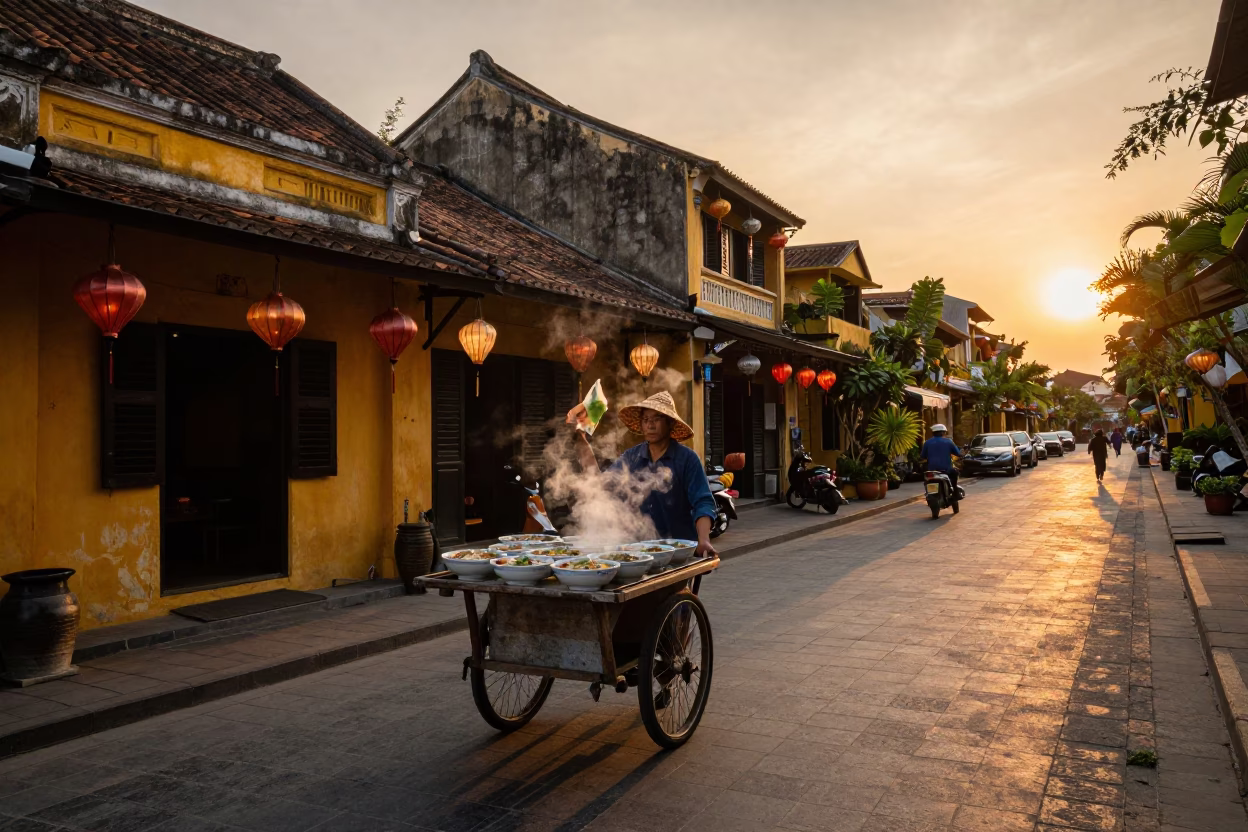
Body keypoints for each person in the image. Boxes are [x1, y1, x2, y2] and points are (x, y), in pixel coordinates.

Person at [568, 390, 718, 557]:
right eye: (646, 420)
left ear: (670, 424)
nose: (650, 425)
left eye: (656, 419)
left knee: (677, 584)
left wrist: (703, 539)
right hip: (638, 551)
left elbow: (703, 502)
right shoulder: (631, 457)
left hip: (678, 550)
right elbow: (601, 484)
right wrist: (581, 439)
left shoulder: (687, 459)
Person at [918, 424, 963, 512]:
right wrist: (961, 454)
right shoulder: (948, 442)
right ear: (943, 432)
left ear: (933, 433)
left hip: (932, 470)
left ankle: (929, 494)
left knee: (926, 481)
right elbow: (958, 454)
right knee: (955, 473)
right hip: (946, 470)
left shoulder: (927, 442)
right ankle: (954, 494)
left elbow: (922, 456)